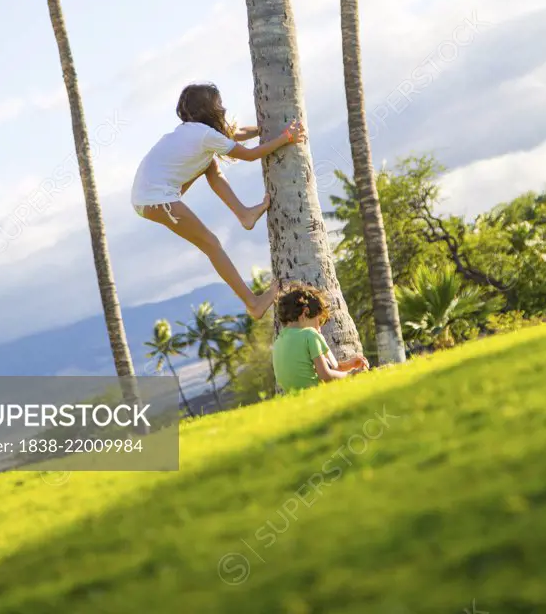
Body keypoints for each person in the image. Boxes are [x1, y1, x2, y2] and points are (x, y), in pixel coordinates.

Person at [131, 82, 305, 319]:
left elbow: (236, 134)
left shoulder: (193, 132)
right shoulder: (204, 136)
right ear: (209, 109)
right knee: (211, 244)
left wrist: (263, 128)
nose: (223, 108)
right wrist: (286, 137)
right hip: (155, 199)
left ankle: (244, 214)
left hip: (150, 196)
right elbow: (250, 155)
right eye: (219, 104)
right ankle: (253, 303)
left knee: (210, 164)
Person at [272, 282, 369, 393]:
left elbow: (329, 368)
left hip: (296, 396)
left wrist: (349, 365)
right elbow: (326, 375)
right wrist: (351, 376)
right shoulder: (310, 334)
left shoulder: (279, 341)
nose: (319, 329)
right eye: (318, 321)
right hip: (316, 392)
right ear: (305, 312)